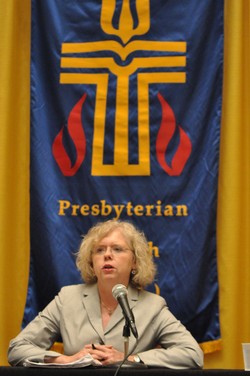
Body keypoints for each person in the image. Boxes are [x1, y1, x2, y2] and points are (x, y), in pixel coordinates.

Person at [8, 219, 204, 368]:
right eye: (100, 250)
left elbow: (192, 354)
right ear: (92, 262)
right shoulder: (67, 299)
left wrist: (129, 359)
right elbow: (18, 348)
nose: (107, 255)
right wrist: (66, 359)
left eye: (117, 249)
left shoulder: (153, 306)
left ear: (135, 262)